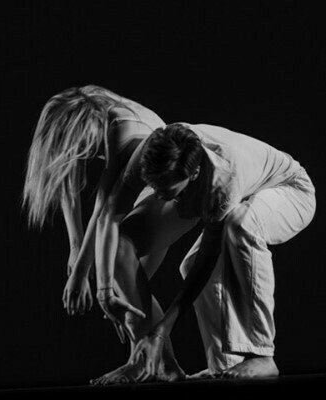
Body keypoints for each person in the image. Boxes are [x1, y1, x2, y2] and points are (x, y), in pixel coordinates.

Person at [91, 122, 316, 384]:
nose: (159, 197)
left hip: (291, 190)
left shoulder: (223, 179)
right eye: (155, 187)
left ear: (195, 173)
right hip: (249, 191)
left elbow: (206, 261)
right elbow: (109, 214)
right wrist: (105, 292)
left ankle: (262, 354)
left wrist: (161, 331)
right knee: (188, 265)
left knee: (241, 226)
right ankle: (222, 365)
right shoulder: (150, 150)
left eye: (168, 190)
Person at [22, 85, 185, 382]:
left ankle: (154, 364)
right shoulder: (90, 108)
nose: (80, 151)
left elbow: (105, 208)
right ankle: (162, 365)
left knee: (120, 273)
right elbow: (68, 181)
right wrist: (75, 248)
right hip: (139, 193)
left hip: (166, 194)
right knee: (129, 290)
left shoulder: (121, 125)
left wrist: (81, 272)